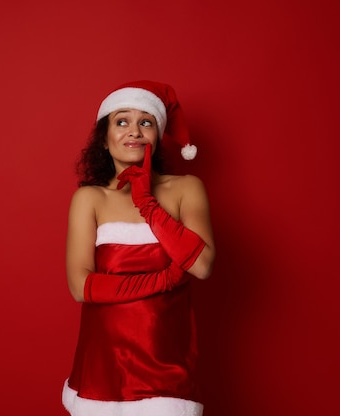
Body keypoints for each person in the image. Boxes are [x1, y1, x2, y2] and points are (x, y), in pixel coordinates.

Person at [62, 80, 215, 416]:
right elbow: (81, 286)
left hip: (166, 368)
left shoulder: (186, 189)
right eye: (122, 121)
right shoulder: (90, 198)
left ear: (157, 135)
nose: (134, 131)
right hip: (101, 370)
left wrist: (147, 202)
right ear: (104, 138)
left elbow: (201, 265)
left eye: (146, 122)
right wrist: (163, 280)